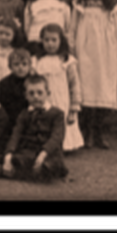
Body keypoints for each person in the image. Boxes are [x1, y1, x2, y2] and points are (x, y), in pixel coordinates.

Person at [69, 0, 117, 149]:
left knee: (104, 89)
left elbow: (116, 29)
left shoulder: (110, 8)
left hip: (105, 54)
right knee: (86, 89)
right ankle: (86, 132)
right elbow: (72, 29)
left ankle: (99, 132)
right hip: (85, 52)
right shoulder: (79, 6)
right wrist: (72, 49)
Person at [2, 75, 69, 182]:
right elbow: (16, 134)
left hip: (49, 153)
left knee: (48, 166)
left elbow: (56, 137)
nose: (36, 96)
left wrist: (43, 154)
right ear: (26, 96)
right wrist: (8, 155)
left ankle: (36, 172)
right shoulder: (24, 114)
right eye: (31, 93)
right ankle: (2, 169)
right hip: (29, 151)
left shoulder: (57, 114)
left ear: (48, 94)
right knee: (15, 160)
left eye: (40, 92)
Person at [33, 23, 84, 152]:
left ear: (61, 41)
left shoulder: (67, 61)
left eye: (54, 40)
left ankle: (65, 145)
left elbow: (74, 85)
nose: (50, 44)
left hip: (62, 100)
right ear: (41, 41)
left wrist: (74, 108)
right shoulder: (36, 60)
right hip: (44, 99)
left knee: (61, 120)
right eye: (46, 40)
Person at [0, 48, 35, 129]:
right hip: (11, 120)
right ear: (10, 66)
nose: (20, 67)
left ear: (30, 66)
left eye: (24, 64)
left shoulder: (35, 82)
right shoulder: (3, 84)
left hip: (32, 119)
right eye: (16, 64)